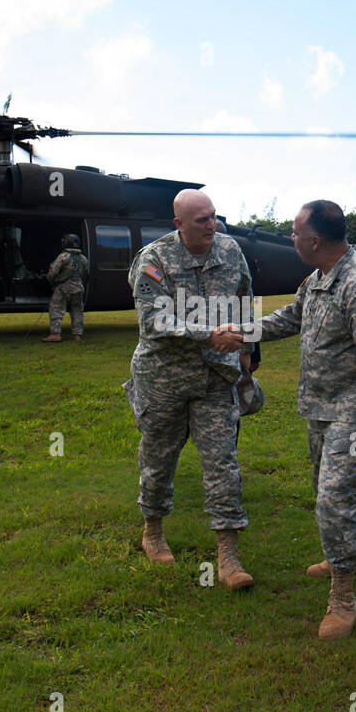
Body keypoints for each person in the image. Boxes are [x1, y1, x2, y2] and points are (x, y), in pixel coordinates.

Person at [214, 200, 356, 639]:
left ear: (314, 240)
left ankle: (343, 597)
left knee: (333, 500)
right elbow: (291, 318)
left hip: (354, 416)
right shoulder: (317, 279)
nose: (292, 239)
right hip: (320, 408)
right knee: (325, 490)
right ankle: (353, 554)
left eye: (296, 232)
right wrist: (244, 333)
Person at [123, 189, 257, 589]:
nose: (212, 227)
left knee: (223, 463)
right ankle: (153, 530)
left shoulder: (230, 251)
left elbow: (245, 299)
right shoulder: (154, 259)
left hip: (216, 378)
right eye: (202, 221)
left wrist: (248, 349)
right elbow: (154, 323)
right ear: (179, 224)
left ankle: (228, 557)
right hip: (163, 380)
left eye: (214, 217)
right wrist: (209, 334)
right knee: (158, 459)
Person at [43, 233, 88, 342]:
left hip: (63, 288)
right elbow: (85, 273)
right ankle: (77, 334)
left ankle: (55, 333)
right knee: (77, 311)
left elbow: (53, 272)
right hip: (78, 287)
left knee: (56, 309)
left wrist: (52, 282)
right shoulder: (83, 258)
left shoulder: (63, 256)